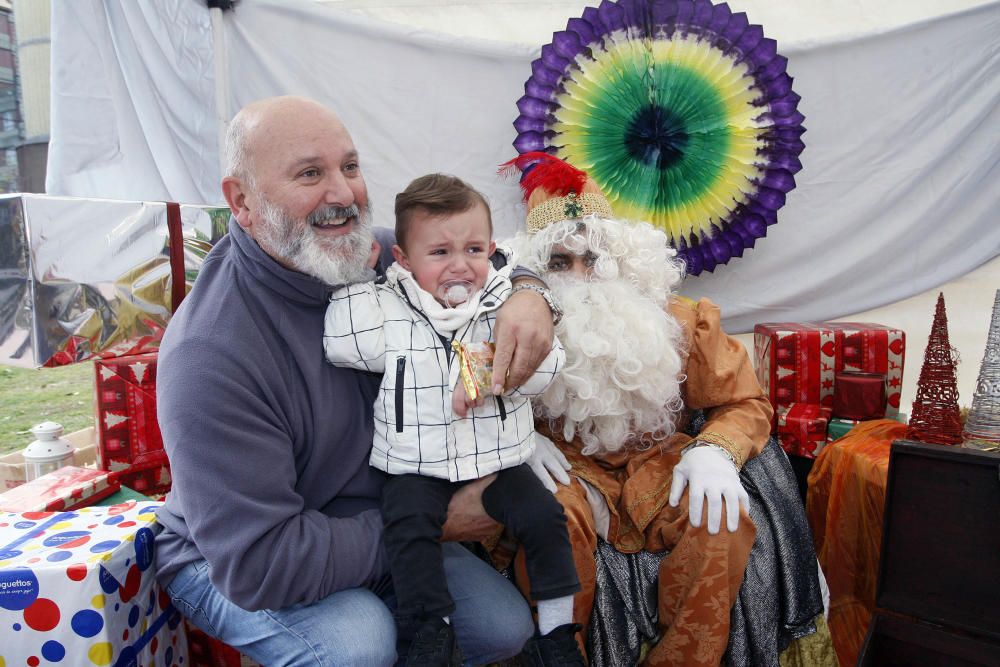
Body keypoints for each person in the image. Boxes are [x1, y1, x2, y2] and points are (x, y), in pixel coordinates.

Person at [153, 96, 560, 666]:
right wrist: (435, 521)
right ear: (241, 201)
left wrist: (531, 295)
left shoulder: (365, 253)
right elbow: (260, 563)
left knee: (501, 626)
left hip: (363, 525)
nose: (343, 194)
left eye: (349, 166)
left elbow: (486, 255)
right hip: (236, 560)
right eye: (310, 173)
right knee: (359, 644)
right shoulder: (211, 354)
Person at [499, 152, 774, 666]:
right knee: (549, 521)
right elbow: (466, 395)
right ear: (535, 274)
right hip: (566, 468)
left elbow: (744, 401)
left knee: (725, 521)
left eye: (595, 258)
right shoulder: (510, 324)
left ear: (623, 260)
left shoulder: (683, 319)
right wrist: (515, 439)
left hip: (662, 467)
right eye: (560, 263)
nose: (582, 275)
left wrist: (716, 450)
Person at [323, 173, 585, 666]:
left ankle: (556, 632)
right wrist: (358, 279)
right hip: (415, 462)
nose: (460, 266)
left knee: (545, 516)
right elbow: (343, 343)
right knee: (408, 525)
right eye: (440, 253)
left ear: (493, 250)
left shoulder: (503, 304)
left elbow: (544, 367)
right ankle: (431, 630)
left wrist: (496, 364)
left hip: (497, 460)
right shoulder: (389, 307)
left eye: (474, 249)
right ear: (404, 259)